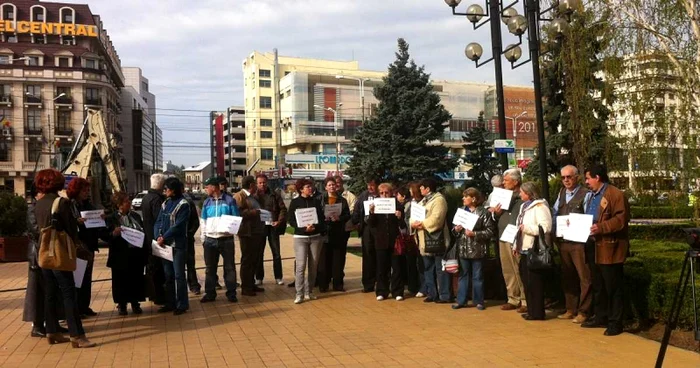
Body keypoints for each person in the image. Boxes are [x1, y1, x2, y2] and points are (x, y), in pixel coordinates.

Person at [33, 169, 95, 348]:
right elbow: (71, 229)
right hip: (60, 253)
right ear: (58, 183)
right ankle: (78, 335)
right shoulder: (61, 202)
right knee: (69, 293)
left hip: (44, 254)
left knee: (50, 293)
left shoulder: (38, 203)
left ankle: (52, 331)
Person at [581, 164, 630, 336]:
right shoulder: (590, 196)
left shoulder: (615, 194)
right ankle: (600, 316)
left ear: (597, 177)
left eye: (588, 178)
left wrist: (601, 227)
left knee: (613, 286)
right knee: (598, 284)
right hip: (593, 245)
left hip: (609, 246)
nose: (586, 182)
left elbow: (621, 219)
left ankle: (616, 322)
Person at [23, 188, 68, 338]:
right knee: (37, 292)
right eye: (41, 192)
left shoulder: (50, 205)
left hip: (50, 253)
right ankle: (37, 325)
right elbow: (36, 231)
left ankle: (53, 324)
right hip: (38, 255)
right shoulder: (32, 209)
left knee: (52, 291)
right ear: (36, 194)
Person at [552, 165, 592, 324]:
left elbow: (589, 215)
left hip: (579, 243)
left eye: (569, 177)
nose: (566, 180)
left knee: (584, 277)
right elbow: (555, 213)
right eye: (563, 177)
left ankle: (584, 311)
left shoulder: (585, 194)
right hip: (564, 241)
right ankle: (570, 308)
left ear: (577, 177)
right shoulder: (562, 193)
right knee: (568, 276)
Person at [104, 192, 147, 316]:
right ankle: (122, 304)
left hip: (135, 253)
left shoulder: (135, 216)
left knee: (136, 279)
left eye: (129, 200)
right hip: (120, 255)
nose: (129, 203)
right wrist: (113, 233)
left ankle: (135, 303)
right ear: (119, 205)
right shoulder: (111, 218)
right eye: (126, 201)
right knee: (120, 281)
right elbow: (105, 235)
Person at [452, 188, 495, 310]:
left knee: (478, 276)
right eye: (463, 197)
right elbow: (453, 230)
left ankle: (479, 301)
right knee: (463, 275)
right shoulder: (461, 211)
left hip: (477, 249)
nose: (463, 199)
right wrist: (456, 229)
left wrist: (475, 234)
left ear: (474, 198)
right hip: (463, 249)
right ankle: (461, 300)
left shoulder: (483, 213)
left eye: (466, 197)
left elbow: (490, 231)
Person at [515, 182, 553, 321]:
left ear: (529, 193)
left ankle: (537, 312)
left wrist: (526, 228)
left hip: (534, 248)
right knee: (526, 281)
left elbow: (546, 227)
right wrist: (516, 245)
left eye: (522, 192)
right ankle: (531, 310)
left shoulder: (540, 207)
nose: (520, 194)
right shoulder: (523, 207)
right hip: (524, 248)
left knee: (535, 282)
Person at [492, 169, 527, 313]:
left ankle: (525, 299)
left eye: (506, 180)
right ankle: (513, 298)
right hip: (503, 235)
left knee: (519, 267)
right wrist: (496, 213)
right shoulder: (501, 195)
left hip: (517, 237)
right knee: (507, 269)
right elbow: (494, 217)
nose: (503, 183)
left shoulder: (523, 196)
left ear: (516, 181)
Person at [199, 176, 239, 303]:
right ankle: (210, 293)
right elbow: (203, 221)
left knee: (229, 267)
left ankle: (231, 293)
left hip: (226, 239)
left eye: (207, 187)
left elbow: (236, 218)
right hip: (210, 239)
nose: (205, 189)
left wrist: (231, 231)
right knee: (210, 268)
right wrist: (203, 238)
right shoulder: (206, 202)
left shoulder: (230, 200)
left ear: (214, 187)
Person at [154, 177, 190, 315]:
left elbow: (179, 226)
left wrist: (164, 237)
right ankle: (170, 302)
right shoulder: (166, 203)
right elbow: (158, 221)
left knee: (179, 275)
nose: (164, 191)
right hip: (164, 246)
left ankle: (182, 304)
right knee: (168, 275)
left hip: (177, 246)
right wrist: (157, 235)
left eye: (167, 189)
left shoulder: (183, 204)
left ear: (173, 190)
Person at [412, 177, 451, 303]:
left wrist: (421, 224)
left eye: (421, 188)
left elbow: (437, 220)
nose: (420, 190)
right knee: (428, 268)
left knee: (440, 268)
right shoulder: (423, 201)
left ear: (428, 189)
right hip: (424, 241)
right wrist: (413, 224)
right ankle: (432, 293)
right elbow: (413, 217)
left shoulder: (439, 200)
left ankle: (444, 295)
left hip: (437, 240)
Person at [288, 178, 326, 304]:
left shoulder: (315, 202)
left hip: (315, 237)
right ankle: (299, 294)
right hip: (301, 238)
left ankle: (309, 292)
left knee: (313, 265)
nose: (310, 189)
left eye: (311, 186)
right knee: (301, 265)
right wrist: (304, 228)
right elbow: (291, 220)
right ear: (301, 189)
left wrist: (315, 227)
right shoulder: (295, 202)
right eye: (307, 187)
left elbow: (321, 219)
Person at [65, 178, 100, 317]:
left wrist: (102, 218)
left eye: (87, 190)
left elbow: (96, 220)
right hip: (78, 247)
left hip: (89, 246)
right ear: (76, 191)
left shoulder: (88, 205)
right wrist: (76, 222)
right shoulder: (69, 205)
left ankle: (84, 306)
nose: (86, 193)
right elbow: (66, 223)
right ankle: (77, 309)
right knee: (77, 279)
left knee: (87, 278)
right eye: (84, 190)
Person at [367, 183, 405, 301]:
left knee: (397, 267)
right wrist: (372, 213)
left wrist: (399, 217)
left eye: (386, 192)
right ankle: (382, 291)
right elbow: (371, 224)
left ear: (391, 193)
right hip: (381, 241)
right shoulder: (376, 205)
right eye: (382, 193)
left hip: (395, 242)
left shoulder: (397, 205)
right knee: (382, 267)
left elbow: (403, 226)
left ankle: (397, 291)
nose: (384, 195)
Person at [234, 176, 266, 297]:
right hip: (246, 233)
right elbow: (238, 212)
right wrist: (253, 212)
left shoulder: (254, 196)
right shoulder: (240, 196)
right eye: (255, 184)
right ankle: (246, 287)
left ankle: (251, 283)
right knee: (247, 260)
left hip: (256, 232)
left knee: (254, 259)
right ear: (251, 185)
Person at [318, 178, 351, 292]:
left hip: (338, 233)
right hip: (325, 233)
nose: (332, 187)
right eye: (329, 185)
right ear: (326, 187)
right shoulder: (320, 199)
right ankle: (324, 284)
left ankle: (338, 284)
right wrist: (323, 218)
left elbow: (347, 215)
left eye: (333, 185)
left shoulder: (342, 200)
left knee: (338, 260)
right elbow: (316, 213)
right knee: (324, 260)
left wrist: (339, 218)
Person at [255, 174, 288, 286]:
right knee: (259, 253)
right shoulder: (254, 196)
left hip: (273, 227)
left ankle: (278, 277)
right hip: (260, 228)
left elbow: (283, 209)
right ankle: (259, 277)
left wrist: (279, 221)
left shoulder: (274, 194)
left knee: (276, 253)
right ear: (256, 183)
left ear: (267, 182)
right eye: (260, 183)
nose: (262, 185)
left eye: (264, 182)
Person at [352, 177, 380, 293]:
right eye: (368, 185)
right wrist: (356, 222)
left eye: (372, 185)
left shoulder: (383, 195)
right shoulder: (364, 196)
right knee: (368, 256)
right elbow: (357, 210)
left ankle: (381, 282)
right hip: (367, 229)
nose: (370, 187)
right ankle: (368, 284)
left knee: (380, 255)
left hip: (380, 229)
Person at [142, 173, 167, 305]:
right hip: (156, 238)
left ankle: (153, 294)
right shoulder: (157, 199)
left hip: (147, 236)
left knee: (151, 267)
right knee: (158, 269)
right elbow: (160, 219)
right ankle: (159, 295)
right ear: (161, 185)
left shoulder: (146, 197)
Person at [404, 182, 426, 297]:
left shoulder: (424, 203)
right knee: (412, 262)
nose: (410, 192)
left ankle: (423, 287)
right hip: (411, 236)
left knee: (422, 262)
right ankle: (413, 286)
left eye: (411, 190)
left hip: (422, 235)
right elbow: (406, 218)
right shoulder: (410, 204)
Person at [184, 194, 201, 295]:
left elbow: (196, 222)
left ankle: (194, 285)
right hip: (175, 241)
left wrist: (189, 234)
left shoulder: (189, 203)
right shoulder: (168, 202)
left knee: (190, 264)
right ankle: (180, 288)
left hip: (188, 240)